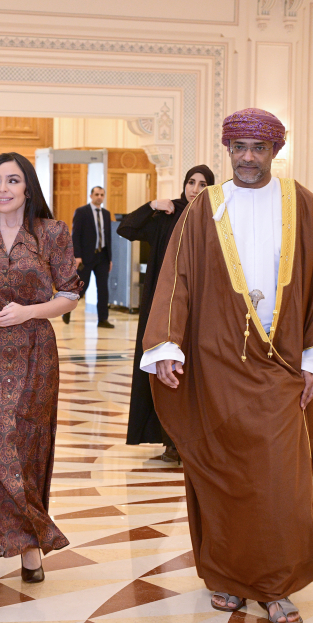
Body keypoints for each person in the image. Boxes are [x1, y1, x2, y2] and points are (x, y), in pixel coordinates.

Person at [140, 109, 313, 623]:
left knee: (280, 482)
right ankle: (227, 577)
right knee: (222, 474)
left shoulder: (304, 205)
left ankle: (276, 584)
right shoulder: (204, 207)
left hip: (282, 364)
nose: (248, 158)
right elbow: (178, 277)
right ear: (228, 149)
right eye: (239, 148)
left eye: (259, 148)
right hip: (216, 365)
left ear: (276, 150)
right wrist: (167, 345)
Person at [0, 152, 81, 607]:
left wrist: (29, 312)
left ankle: (29, 548)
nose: (2, 189)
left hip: (35, 354)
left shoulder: (51, 233)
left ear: (28, 188)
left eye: (12, 180)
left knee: (26, 452)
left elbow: (70, 293)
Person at [117, 165, 215, 463]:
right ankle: (170, 441)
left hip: (201, 308)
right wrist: (152, 205)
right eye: (191, 182)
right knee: (164, 370)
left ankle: (196, 441)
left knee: (195, 374)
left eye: (202, 184)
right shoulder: (168, 216)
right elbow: (126, 228)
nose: (195, 189)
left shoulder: (216, 219)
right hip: (163, 307)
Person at [66, 186, 114, 327]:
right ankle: (66, 309)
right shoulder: (82, 212)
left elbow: (108, 237)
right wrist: (77, 256)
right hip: (86, 257)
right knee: (82, 287)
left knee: (103, 289)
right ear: (91, 196)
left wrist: (110, 258)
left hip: (103, 256)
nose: (99, 197)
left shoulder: (106, 214)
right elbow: (75, 235)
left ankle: (103, 319)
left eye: (102, 195)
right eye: (97, 194)